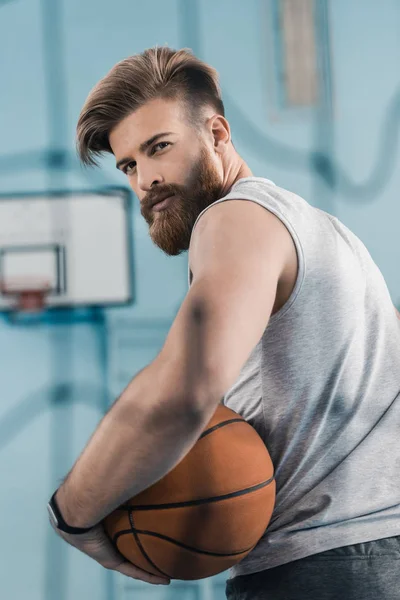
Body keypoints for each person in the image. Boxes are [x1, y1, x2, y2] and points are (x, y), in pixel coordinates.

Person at [47, 46, 400, 599]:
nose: (146, 180)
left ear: (216, 133)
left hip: (320, 568)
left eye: (159, 147)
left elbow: (180, 395)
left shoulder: (234, 218)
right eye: (130, 165)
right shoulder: (329, 234)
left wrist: (72, 514)